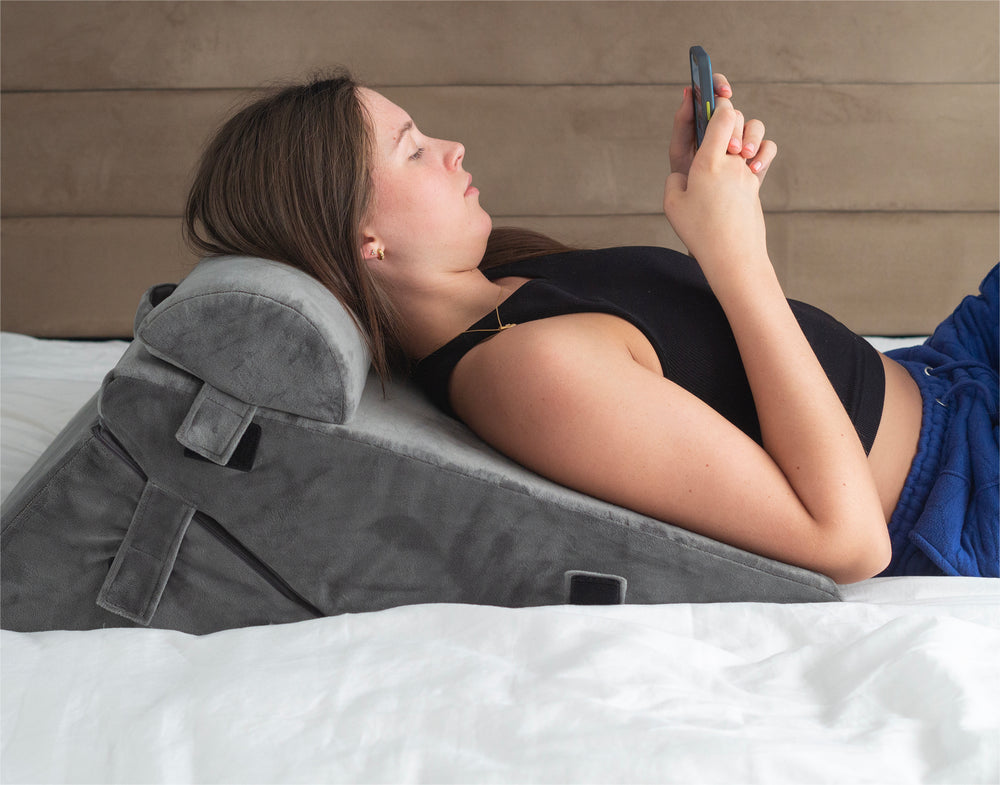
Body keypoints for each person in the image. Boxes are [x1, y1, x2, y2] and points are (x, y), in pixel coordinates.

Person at [184, 69, 998, 583]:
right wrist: (737, 253)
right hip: (962, 473)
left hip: (942, 369)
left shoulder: (504, 281)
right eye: (413, 149)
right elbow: (847, 540)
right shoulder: (520, 371)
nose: (454, 148)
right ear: (366, 238)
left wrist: (704, 204)